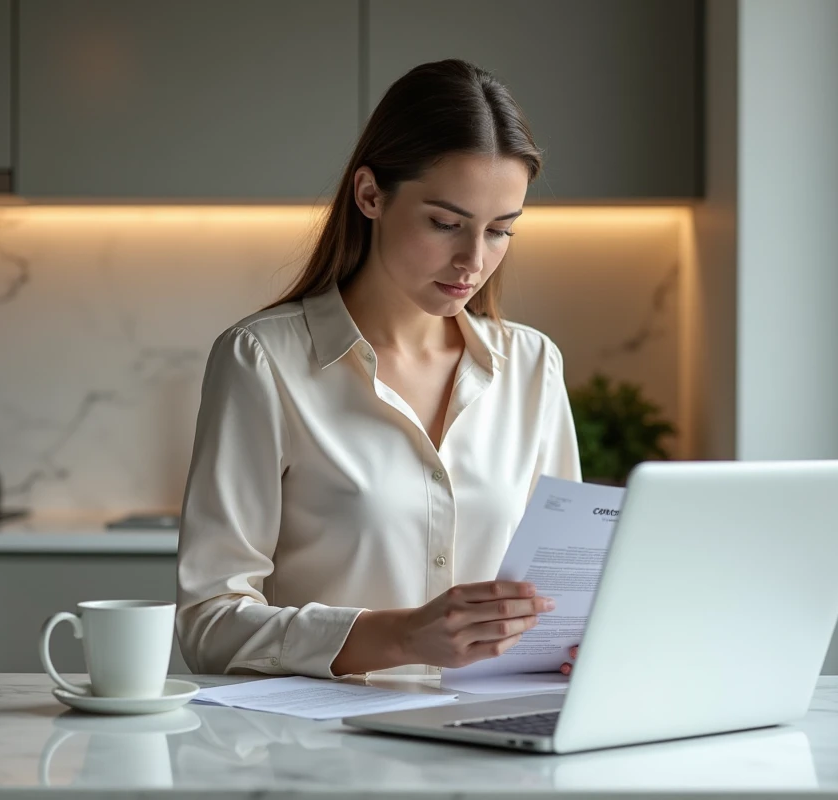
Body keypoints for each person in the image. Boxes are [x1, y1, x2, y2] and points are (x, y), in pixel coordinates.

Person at [176, 59, 581, 681]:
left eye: (500, 231)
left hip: (490, 734)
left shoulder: (532, 366)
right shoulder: (263, 359)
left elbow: (561, 596)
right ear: (370, 194)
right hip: (319, 739)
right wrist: (402, 637)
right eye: (445, 224)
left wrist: (577, 642)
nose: (473, 260)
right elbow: (209, 624)